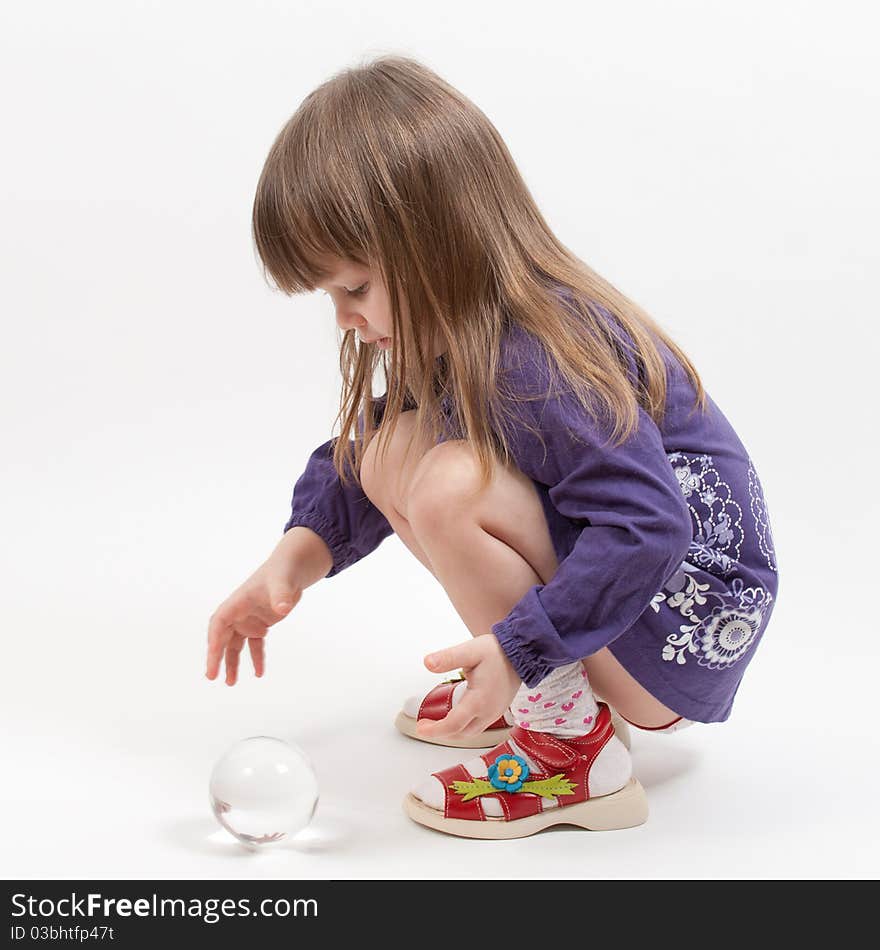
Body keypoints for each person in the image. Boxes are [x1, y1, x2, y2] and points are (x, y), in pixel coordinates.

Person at [204, 55, 779, 840]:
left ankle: (570, 743)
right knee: (393, 450)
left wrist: (519, 652)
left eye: (355, 288)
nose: (342, 318)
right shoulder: (462, 332)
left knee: (448, 483)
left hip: (683, 622)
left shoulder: (537, 357)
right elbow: (365, 448)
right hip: (635, 600)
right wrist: (293, 559)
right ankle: (550, 691)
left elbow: (652, 526)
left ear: (436, 247)